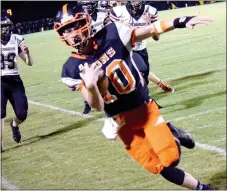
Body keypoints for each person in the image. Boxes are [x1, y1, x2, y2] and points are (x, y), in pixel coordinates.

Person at [54, 3, 214, 190]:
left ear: (87, 21)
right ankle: (203, 188)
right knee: (156, 166)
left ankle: (172, 131)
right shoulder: (71, 68)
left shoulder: (113, 34)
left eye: (75, 26)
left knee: (171, 158)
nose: (73, 33)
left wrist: (181, 21)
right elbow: (96, 105)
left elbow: (150, 29)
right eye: (66, 30)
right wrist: (90, 86)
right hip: (120, 120)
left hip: (143, 108)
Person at [110, 1, 174, 92]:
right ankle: (142, 100)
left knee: (145, 71)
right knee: (141, 71)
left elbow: (156, 38)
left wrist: (151, 28)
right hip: (126, 49)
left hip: (141, 48)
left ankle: (153, 90)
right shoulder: (118, 11)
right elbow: (113, 34)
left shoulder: (151, 11)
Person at [1, 11, 33, 147]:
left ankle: (14, 125)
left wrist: (27, 53)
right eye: (2, 26)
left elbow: (29, 62)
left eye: (7, 26)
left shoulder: (17, 38)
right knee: (1, 112)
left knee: (22, 114)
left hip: (15, 81)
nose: (5, 29)